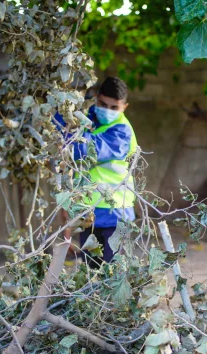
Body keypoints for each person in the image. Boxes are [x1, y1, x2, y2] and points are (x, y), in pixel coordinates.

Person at [59, 77, 137, 266]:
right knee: (91, 277)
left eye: (114, 108)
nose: (107, 111)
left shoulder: (121, 132)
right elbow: (61, 123)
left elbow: (84, 150)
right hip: (88, 214)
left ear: (124, 107)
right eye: (103, 104)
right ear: (96, 99)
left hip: (116, 213)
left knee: (114, 275)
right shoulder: (88, 117)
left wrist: (63, 136)